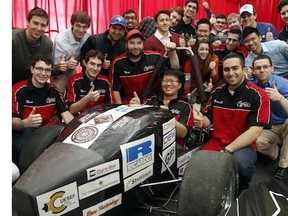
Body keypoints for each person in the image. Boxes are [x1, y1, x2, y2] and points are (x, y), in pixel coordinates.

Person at [193, 52, 270, 191]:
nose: (231, 73)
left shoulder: (259, 95)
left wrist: (228, 150)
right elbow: (207, 119)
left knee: (241, 165)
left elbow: (255, 131)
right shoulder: (216, 92)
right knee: (197, 165)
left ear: (244, 70)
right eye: (227, 69)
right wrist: (200, 121)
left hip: (243, 146)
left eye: (235, 68)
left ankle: (240, 190)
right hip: (216, 141)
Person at [12, 56, 74, 165]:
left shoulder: (54, 90)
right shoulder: (18, 90)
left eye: (47, 70)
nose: (43, 73)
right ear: (32, 70)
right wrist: (25, 123)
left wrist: (77, 129)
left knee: (67, 134)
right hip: (26, 131)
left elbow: (66, 114)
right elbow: (13, 123)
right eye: (39, 69)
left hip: (48, 130)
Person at [110, 29, 179, 104]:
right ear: (126, 44)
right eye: (132, 43)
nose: (136, 46)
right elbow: (115, 88)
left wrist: (173, 51)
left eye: (139, 43)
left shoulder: (155, 57)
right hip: (129, 103)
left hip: (153, 102)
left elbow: (175, 67)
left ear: (143, 44)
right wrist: (119, 108)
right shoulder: (117, 63)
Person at [130, 68, 194, 148]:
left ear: (179, 85)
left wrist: (167, 116)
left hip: (173, 147)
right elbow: (138, 124)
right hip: (147, 145)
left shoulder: (185, 106)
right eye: (165, 80)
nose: (168, 84)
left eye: (172, 81)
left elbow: (184, 134)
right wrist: (137, 108)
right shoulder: (151, 101)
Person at [251, 55, 288, 180]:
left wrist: (280, 98)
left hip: (284, 125)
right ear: (253, 70)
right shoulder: (251, 86)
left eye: (265, 67)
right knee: (256, 141)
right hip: (268, 127)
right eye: (258, 68)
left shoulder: (283, 84)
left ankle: (283, 165)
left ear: (272, 68)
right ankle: (275, 153)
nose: (262, 70)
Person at [51, 10, 91, 94]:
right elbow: (55, 68)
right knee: (57, 94)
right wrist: (65, 64)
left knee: (78, 91)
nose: (81, 30)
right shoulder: (60, 40)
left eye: (84, 27)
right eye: (78, 26)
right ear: (72, 24)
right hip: (59, 72)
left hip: (73, 69)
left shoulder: (88, 35)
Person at [12, 7, 53, 84]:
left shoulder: (47, 43)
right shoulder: (12, 39)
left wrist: (61, 68)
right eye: (35, 23)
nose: (39, 28)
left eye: (43, 25)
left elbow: (46, 69)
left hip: (32, 85)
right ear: (27, 22)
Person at [66, 50, 113, 115]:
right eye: (92, 64)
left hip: (101, 119)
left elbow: (110, 107)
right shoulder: (74, 80)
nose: (95, 68)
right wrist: (87, 98)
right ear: (85, 63)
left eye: (98, 65)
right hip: (79, 119)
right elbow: (71, 110)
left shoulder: (105, 81)